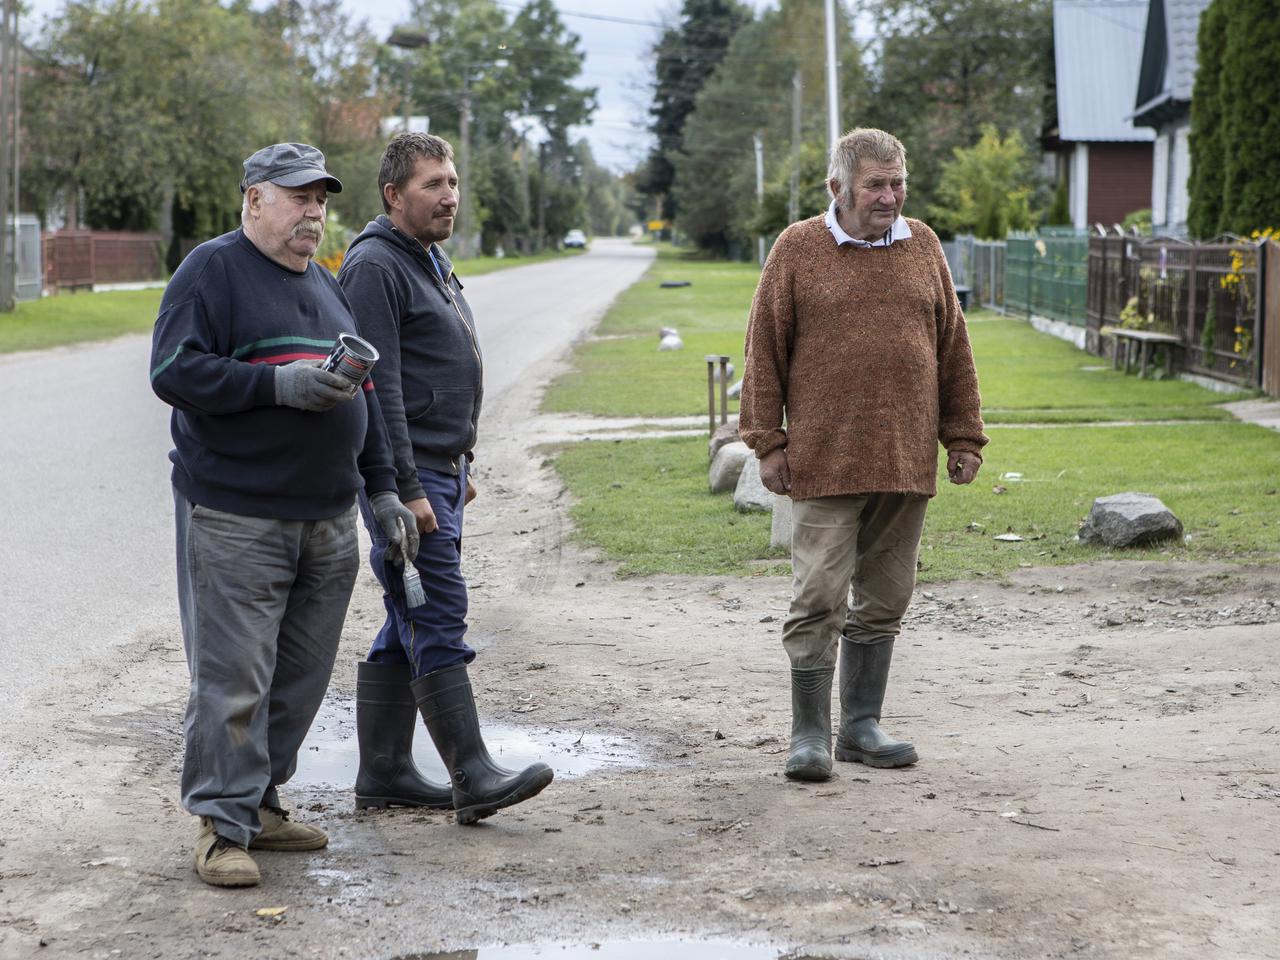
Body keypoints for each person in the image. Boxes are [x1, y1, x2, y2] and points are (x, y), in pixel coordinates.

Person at [150, 142, 418, 887]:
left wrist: (385, 489)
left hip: (327, 519)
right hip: (236, 513)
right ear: (253, 200)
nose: (312, 212)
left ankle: (260, 805)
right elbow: (173, 370)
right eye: (297, 196)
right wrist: (277, 389)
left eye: (321, 199)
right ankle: (219, 827)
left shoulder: (327, 285)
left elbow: (362, 395)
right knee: (234, 680)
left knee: (298, 680)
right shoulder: (213, 268)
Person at [739, 127, 988, 783]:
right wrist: (766, 440)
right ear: (839, 188)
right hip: (823, 459)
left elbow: (952, 347)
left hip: (905, 462)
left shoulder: (924, 245)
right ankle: (810, 734)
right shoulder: (797, 249)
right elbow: (763, 349)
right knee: (818, 594)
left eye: (897, 183)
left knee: (886, 597)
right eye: (875, 184)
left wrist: (963, 435)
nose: (888, 196)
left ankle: (860, 725)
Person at [337, 132, 553, 824]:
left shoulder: (428, 258)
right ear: (393, 195)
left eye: (452, 182)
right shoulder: (376, 266)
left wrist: (462, 464)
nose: (449, 196)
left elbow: (445, 367)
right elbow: (381, 388)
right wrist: (405, 487)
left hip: (442, 469)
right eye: (432, 185)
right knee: (435, 609)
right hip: (410, 478)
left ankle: (385, 770)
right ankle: (473, 773)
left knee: (408, 613)